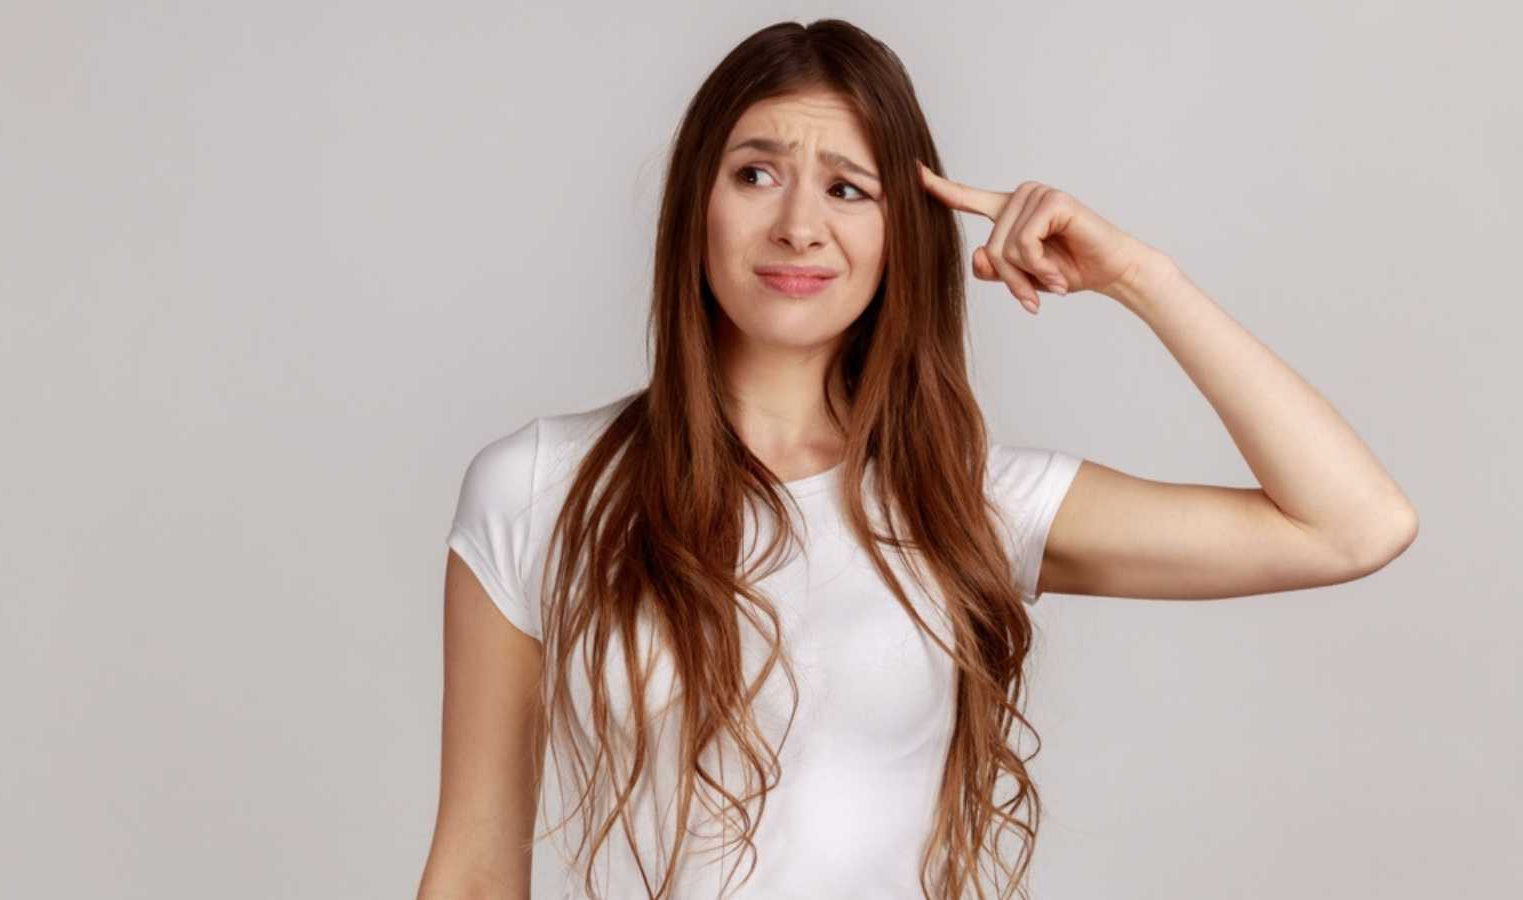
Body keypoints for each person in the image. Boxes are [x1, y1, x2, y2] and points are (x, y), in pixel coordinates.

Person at [418, 18, 1417, 900]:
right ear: (697, 204)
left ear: (902, 231)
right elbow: (471, 868)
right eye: (755, 173)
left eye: (848, 188)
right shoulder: (542, 487)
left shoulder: (968, 502)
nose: (798, 224)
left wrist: (1139, 279)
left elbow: (1353, 526)